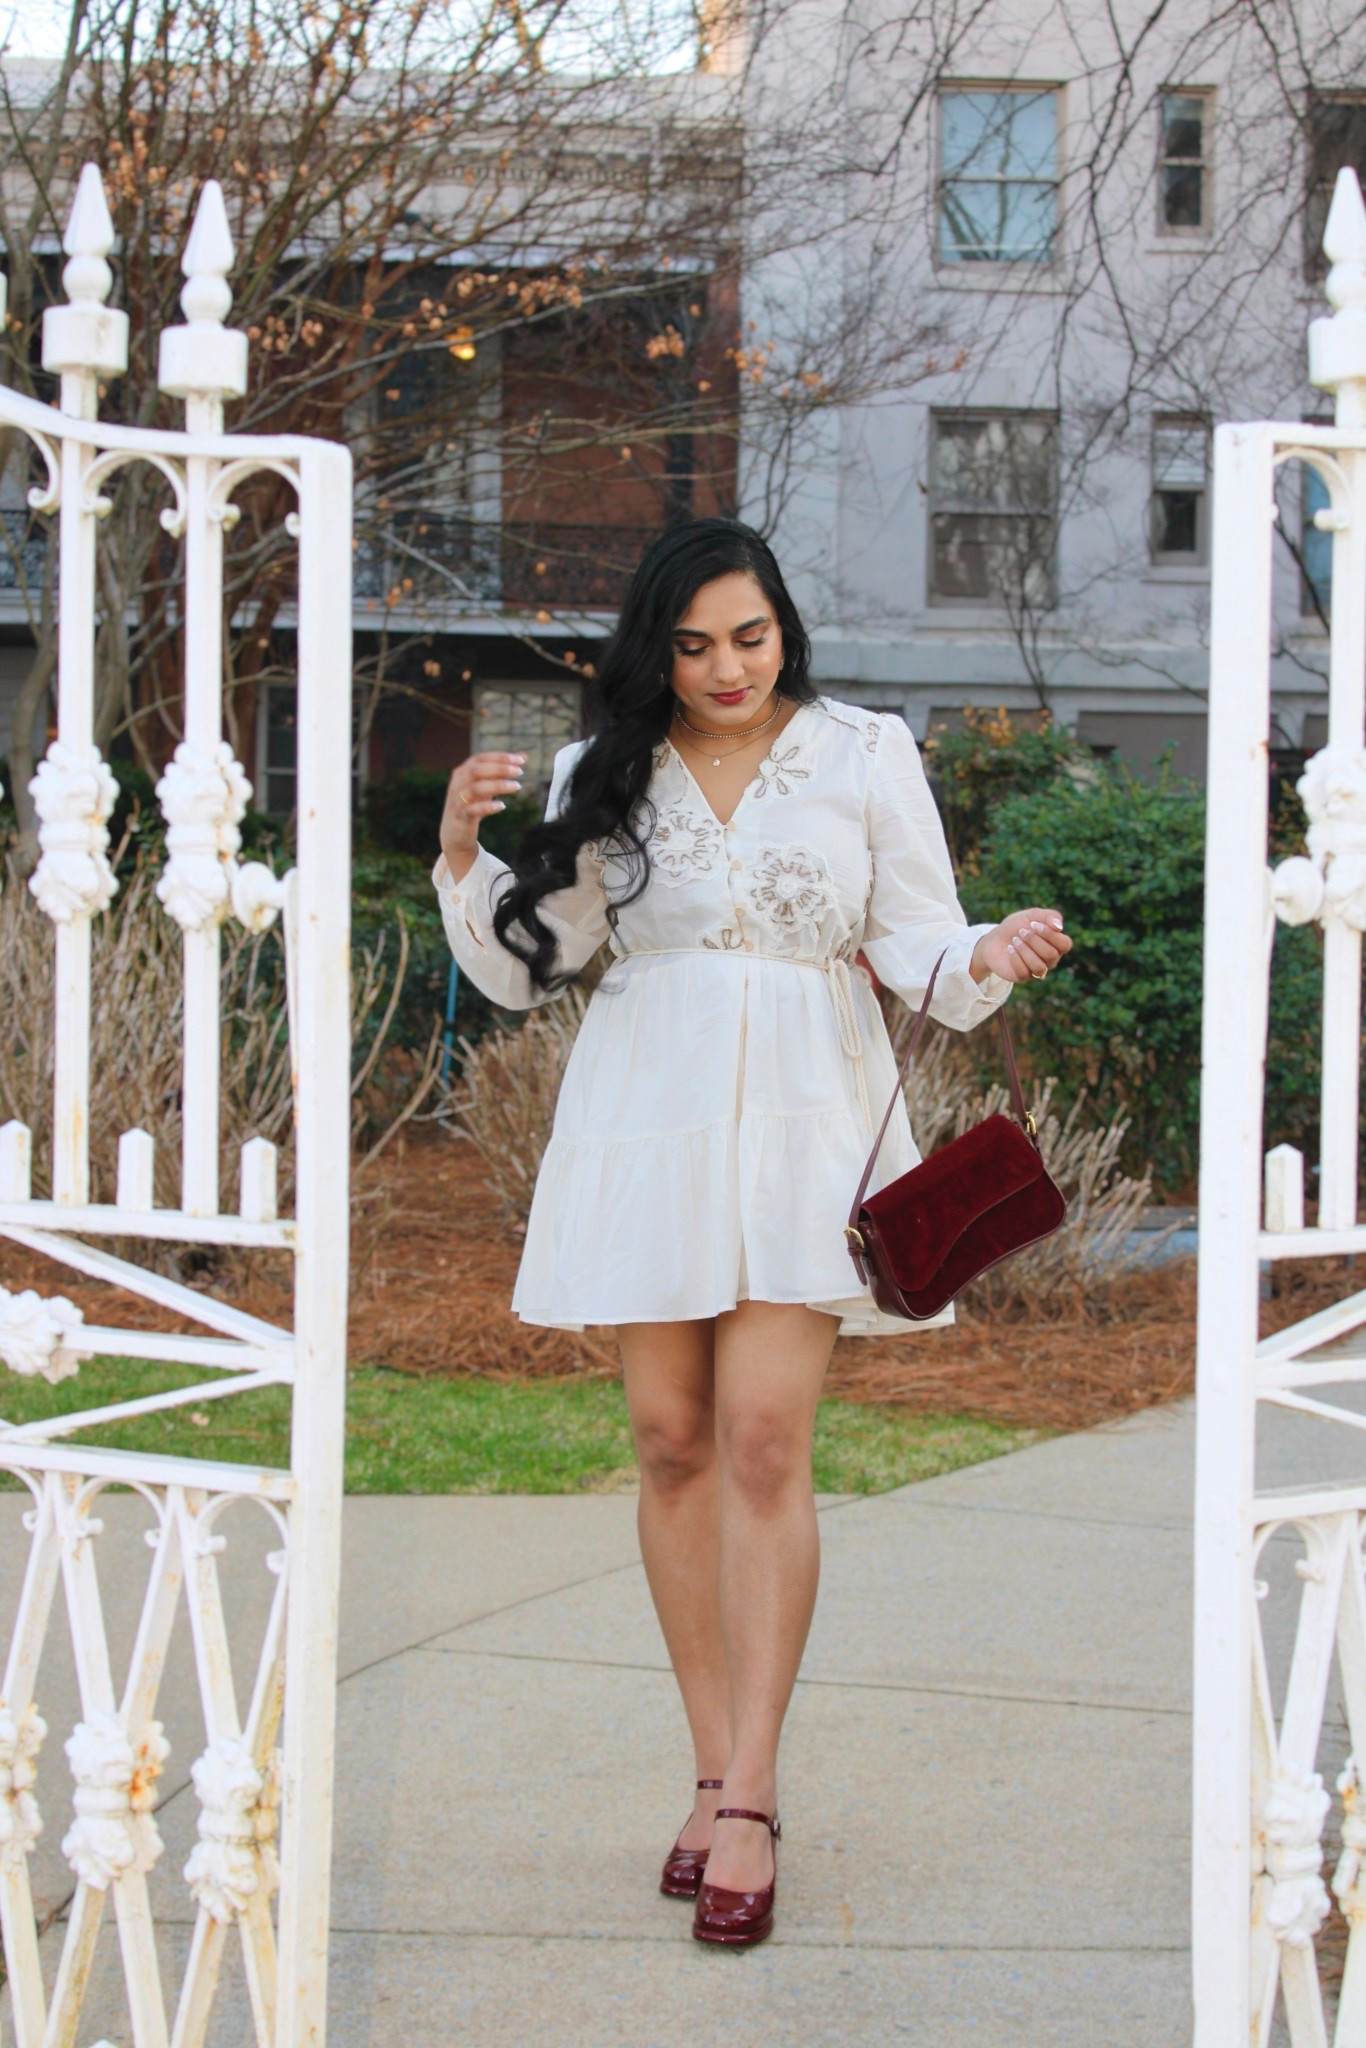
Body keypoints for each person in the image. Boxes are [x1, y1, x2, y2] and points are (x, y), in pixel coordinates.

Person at [433, 518, 1072, 1948]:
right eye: (694, 645)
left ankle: (755, 1795)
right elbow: (538, 965)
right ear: (655, 653)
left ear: (785, 626)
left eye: (751, 635)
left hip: (805, 1124)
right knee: (670, 1442)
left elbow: (919, 941)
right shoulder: (606, 771)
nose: (727, 668)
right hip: (645, 1121)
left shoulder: (863, 752)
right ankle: (709, 1767)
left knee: (765, 1445)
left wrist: (988, 950)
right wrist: (465, 850)